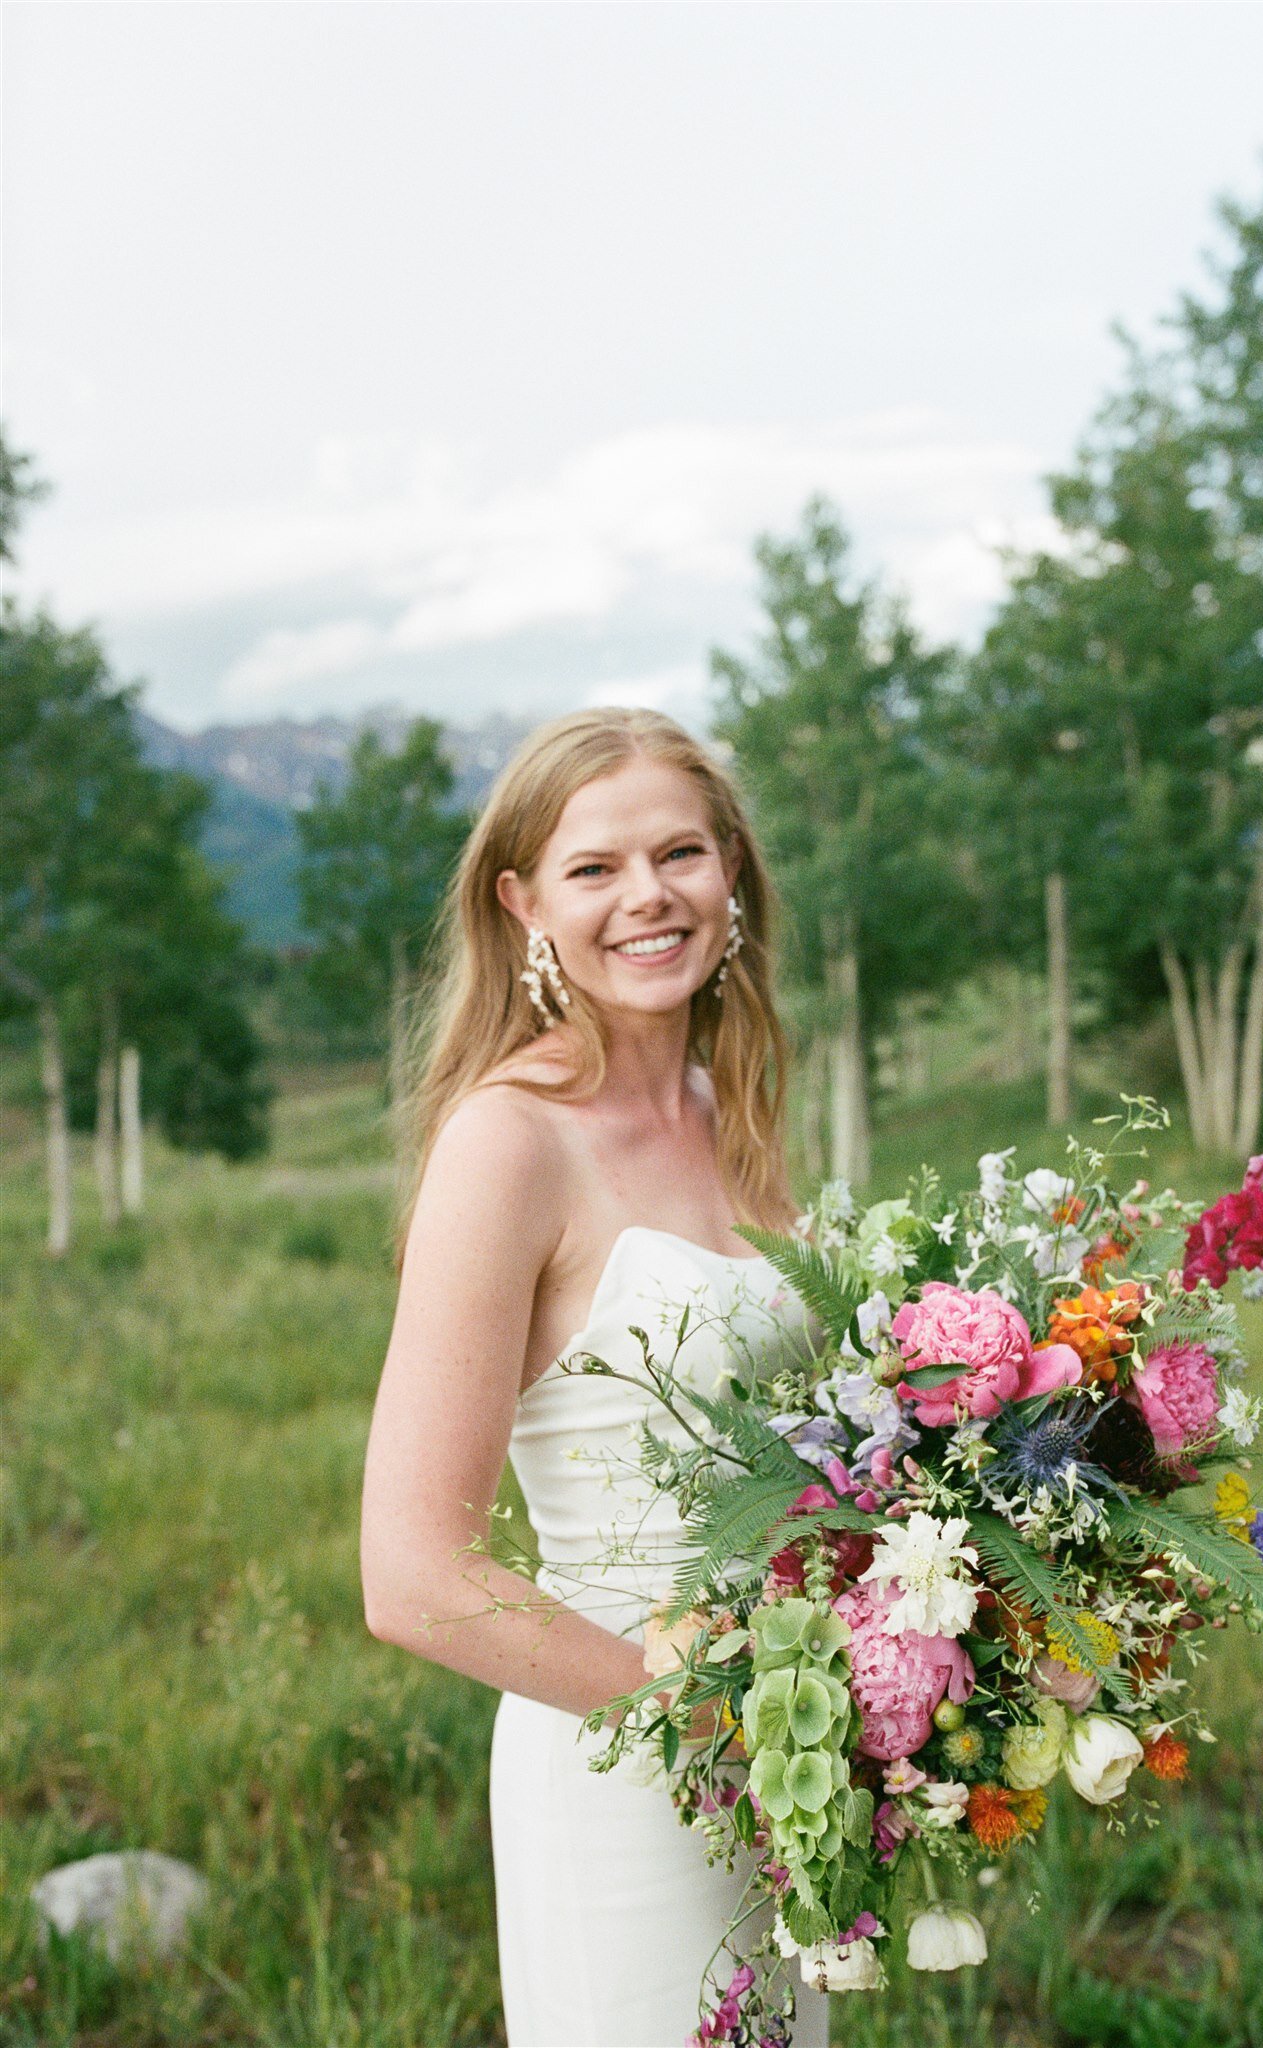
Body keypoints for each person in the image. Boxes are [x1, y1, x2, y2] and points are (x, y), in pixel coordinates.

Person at [360, 707, 829, 2047]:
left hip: (794, 1751)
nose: (647, 896)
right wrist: (712, 1724)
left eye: (679, 851)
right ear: (521, 904)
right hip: (627, 1762)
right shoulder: (505, 1144)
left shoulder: (727, 1108)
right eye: (593, 868)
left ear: (730, 868)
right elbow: (412, 1580)